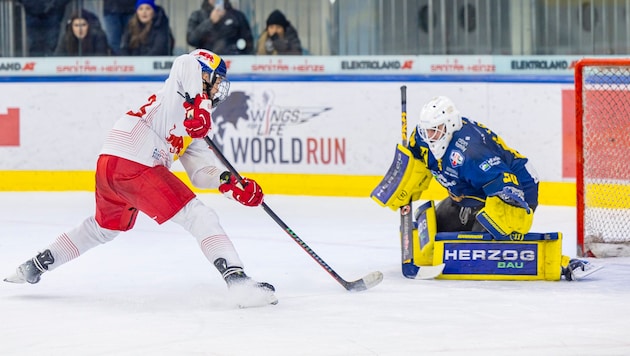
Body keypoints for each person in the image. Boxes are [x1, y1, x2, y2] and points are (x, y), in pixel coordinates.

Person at [4, 49, 278, 308]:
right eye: (216, 81)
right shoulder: (180, 90)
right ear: (204, 76)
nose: (219, 89)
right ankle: (238, 281)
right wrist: (199, 106)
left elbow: (200, 172)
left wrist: (229, 183)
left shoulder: (196, 121)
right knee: (200, 217)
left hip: (111, 162)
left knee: (103, 228)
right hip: (136, 158)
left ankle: (36, 265)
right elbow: (186, 62)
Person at [374, 95, 601, 281]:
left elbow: (507, 186)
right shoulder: (422, 137)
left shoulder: (471, 152)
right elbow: (414, 162)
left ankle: (559, 262)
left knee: (476, 246)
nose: (430, 136)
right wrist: (402, 185)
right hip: (472, 194)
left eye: (436, 130)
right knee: (436, 230)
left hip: (517, 188)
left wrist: (501, 221)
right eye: (427, 130)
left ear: (451, 125)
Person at [187, 0, 254, 55]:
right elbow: (191, 40)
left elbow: (248, 42)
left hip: (233, 60)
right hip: (207, 61)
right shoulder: (198, 15)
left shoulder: (237, 16)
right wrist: (210, 21)